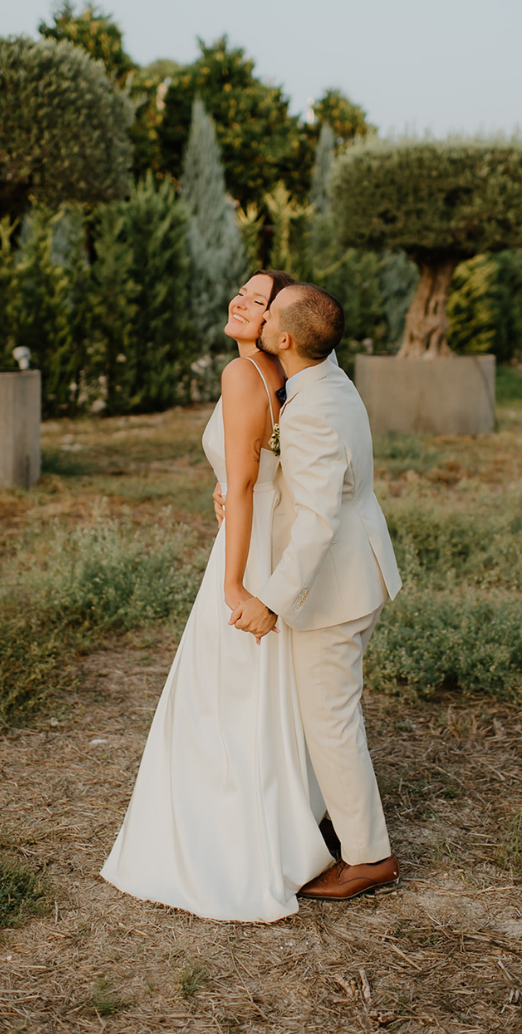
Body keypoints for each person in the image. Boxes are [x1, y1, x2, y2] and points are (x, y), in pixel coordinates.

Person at [102, 270, 335, 921]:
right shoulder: (271, 378)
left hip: (244, 550)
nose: (241, 301)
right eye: (241, 290)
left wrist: (234, 585)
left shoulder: (244, 377)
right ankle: (283, 825)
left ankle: (220, 847)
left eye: (258, 301)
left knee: (220, 694)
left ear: (277, 324)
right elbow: (261, 472)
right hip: (261, 539)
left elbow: (244, 480)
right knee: (250, 691)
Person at [229, 282, 404, 901]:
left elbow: (318, 521)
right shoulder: (326, 379)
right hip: (354, 568)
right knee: (326, 716)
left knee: (331, 722)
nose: (256, 312)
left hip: (336, 587)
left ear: (283, 341)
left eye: (268, 311)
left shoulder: (312, 410)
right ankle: (336, 815)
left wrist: (270, 600)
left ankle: (367, 857)